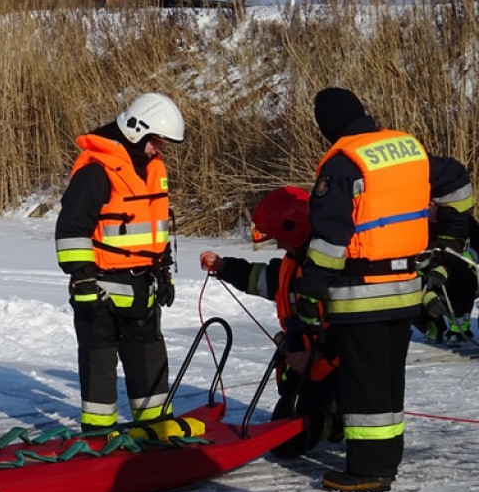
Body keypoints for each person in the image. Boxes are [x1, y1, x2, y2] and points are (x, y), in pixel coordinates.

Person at [296, 88, 474, 492]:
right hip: (405, 291)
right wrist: (449, 243)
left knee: (365, 383)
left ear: (329, 126)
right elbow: (459, 184)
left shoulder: (342, 165)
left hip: (363, 293)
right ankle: (386, 458)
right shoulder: (407, 151)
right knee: (389, 380)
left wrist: (309, 295)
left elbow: (329, 241)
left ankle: (369, 471)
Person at [55, 92, 183, 432]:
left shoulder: (153, 169)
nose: (160, 149)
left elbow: (155, 228)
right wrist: (82, 281)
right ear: (135, 131)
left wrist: (164, 272)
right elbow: (70, 231)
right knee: (99, 360)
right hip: (99, 289)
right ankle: (99, 432)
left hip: (143, 286)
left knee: (149, 355)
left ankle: (154, 424)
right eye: (157, 142)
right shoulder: (96, 171)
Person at [200, 186, 342, 458]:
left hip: (334, 369)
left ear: (296, 229)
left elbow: (350, 330)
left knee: (304, 432)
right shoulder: (292, 263)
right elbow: (260, 277)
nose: (277, 245)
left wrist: (315, 355)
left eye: (279, 238)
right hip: (305, 368)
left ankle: (338, 417)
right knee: (285, 445)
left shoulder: (334, 270)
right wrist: (224, 267)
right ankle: (325, 417)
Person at [413, 212, 479, 345]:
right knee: (405, 289)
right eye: (428, 203)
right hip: (427, 278)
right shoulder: (414, 223)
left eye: (436, 204)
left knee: (460, 277)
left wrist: (445, 268)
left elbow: (475, 250)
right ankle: (432, 326)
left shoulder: (462, 220)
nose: (431, 208)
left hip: (460, 276)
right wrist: (425, 292)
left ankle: (459, 329)